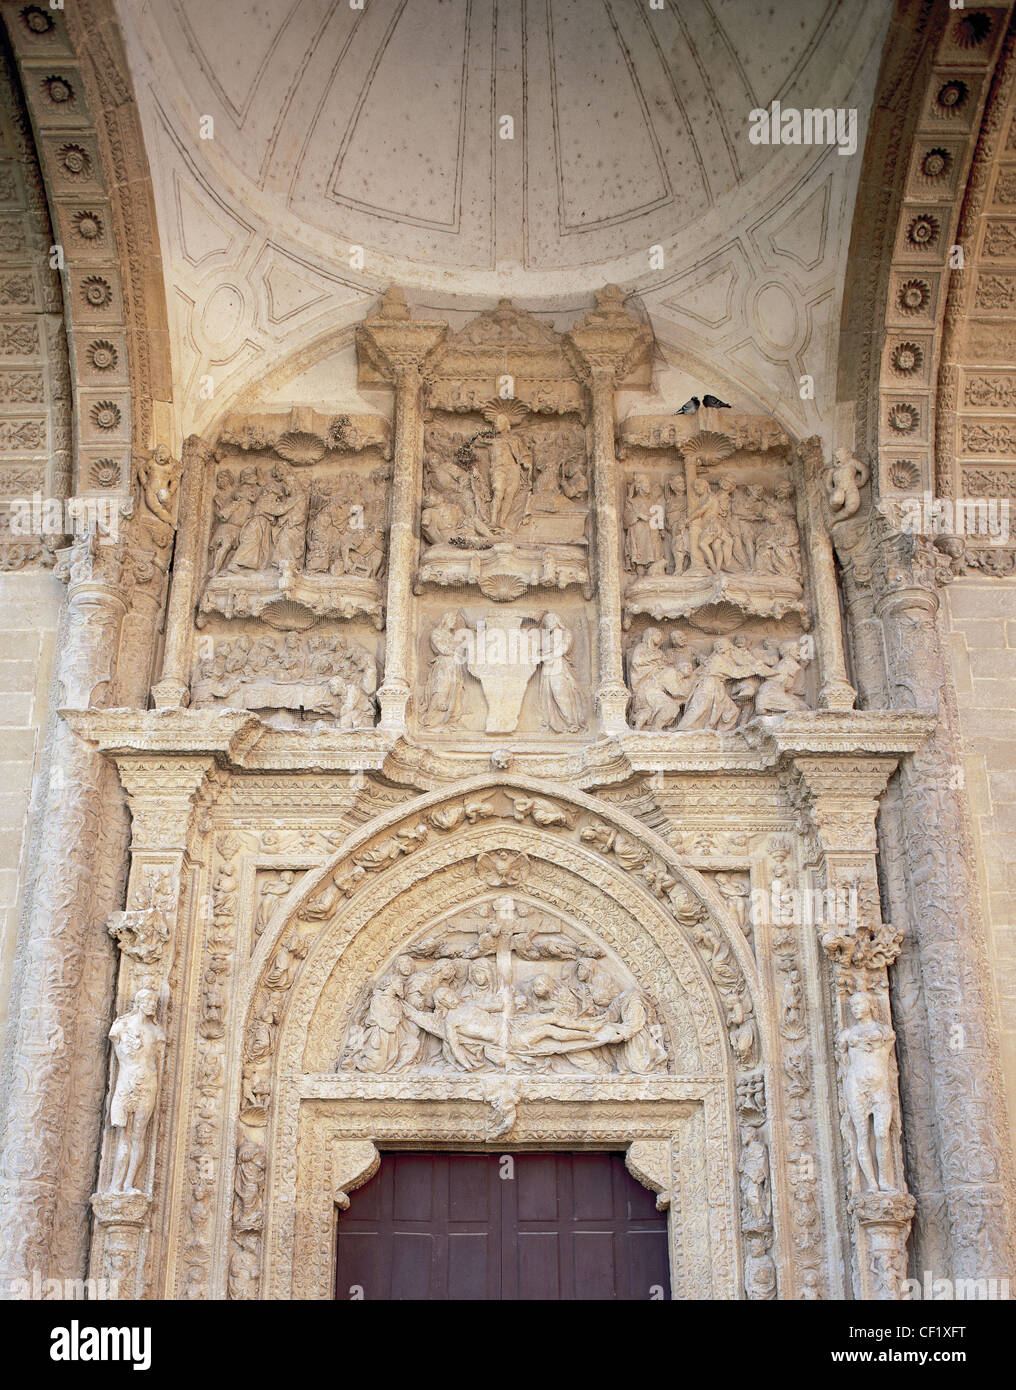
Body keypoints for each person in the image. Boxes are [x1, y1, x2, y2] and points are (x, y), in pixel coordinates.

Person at [108, 989, 165, 1194]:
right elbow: (121, 1055)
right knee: (123, 1135)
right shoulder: (121, 1027)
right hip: (126, 1082)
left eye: (155, 1001)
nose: (152, 1004)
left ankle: (129, 1183)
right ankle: (115, 1186)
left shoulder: (157, 1033)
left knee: (138, 1136)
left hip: (148, 1083)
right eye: (149, 1000)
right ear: (138, 1002)